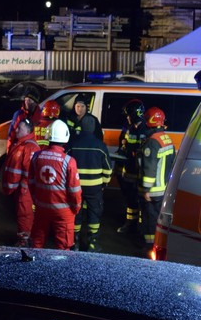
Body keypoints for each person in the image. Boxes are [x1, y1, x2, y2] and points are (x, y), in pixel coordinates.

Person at [28, 120, 82, 250]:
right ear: (65, 138)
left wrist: (37, 201)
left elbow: (31, 183)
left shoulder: (36, 156)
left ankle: (34, 268)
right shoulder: (69, 161)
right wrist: (76, 208)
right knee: (63, 247)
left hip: (41, 208)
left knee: (37, 242)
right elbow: (74, 191)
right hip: (64, 212)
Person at [67, 114, 113, 252]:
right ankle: (93, 243)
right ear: (93, 128)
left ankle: (74, 242)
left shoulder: (73, 144)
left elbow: (66, 164)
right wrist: (104, 184)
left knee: (77, 212)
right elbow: (108, 169)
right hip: (94, 188)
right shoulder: (100, 146)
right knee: (94, 212)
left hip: (77, 187)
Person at [138, 107, 175, 248]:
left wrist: (146, 190)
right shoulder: (167, 139)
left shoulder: (152, 142)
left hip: (152, 191)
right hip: (163, 189)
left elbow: (149, 168)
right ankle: (159, 244)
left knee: (150, 220)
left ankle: (150, 247)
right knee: (160, 219)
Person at [2, 118, 40, 247]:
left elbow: (28, 172)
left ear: (28, 131)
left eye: (20, 128)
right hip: (21, 189)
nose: (16, 130)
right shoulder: (21, 144)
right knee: (21, 214)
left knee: (25, 214)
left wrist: (14, 187)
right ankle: (23, 238)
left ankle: (24, 241)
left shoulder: (29, 147)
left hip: (25, 190)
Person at [115, 99, 146, 235]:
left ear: (134, 114)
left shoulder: (146, 130)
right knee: (130, 199)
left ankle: (140, 228)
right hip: (129, 172)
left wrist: (130, 152)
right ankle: (130, 223)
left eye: (128, 115)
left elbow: (143, 153)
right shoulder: (129, 129)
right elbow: (124, 146)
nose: (127, 117)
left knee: (141, 202)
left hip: (141, 174)